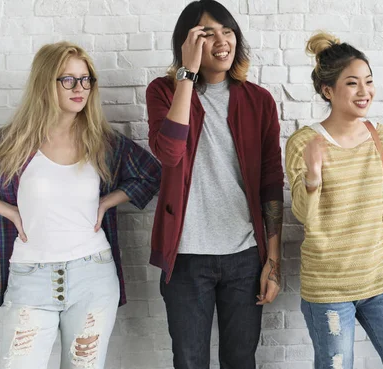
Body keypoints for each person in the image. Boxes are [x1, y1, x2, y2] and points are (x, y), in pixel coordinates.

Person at [0, 41, 161, 369]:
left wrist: (108, 201)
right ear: (44, 83)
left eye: (85, 79)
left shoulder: (102, 142)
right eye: (67, 79)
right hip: (29, 277)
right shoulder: (10, 143)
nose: (79, 88)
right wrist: (5, 209)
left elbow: (151, 174)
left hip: (92, 276)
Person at [145, 1, 284, 368]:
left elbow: (271, 184)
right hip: (187, 257)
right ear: (187, 42)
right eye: (207, 34)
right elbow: (170, 153)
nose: (222, 41)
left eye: (228, 31)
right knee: (189, 360)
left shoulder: (259, 100)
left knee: (240, 360)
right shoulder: (163, 92)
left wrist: (273, 260)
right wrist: (187, 75)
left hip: (244, 256)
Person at [285, 31, 383, 369]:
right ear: (328, 90)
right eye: (352, 83)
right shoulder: (304, 143)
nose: (364, 92)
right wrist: (313, 178)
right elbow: (304, 216)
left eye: (368, 81)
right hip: (328, 289)